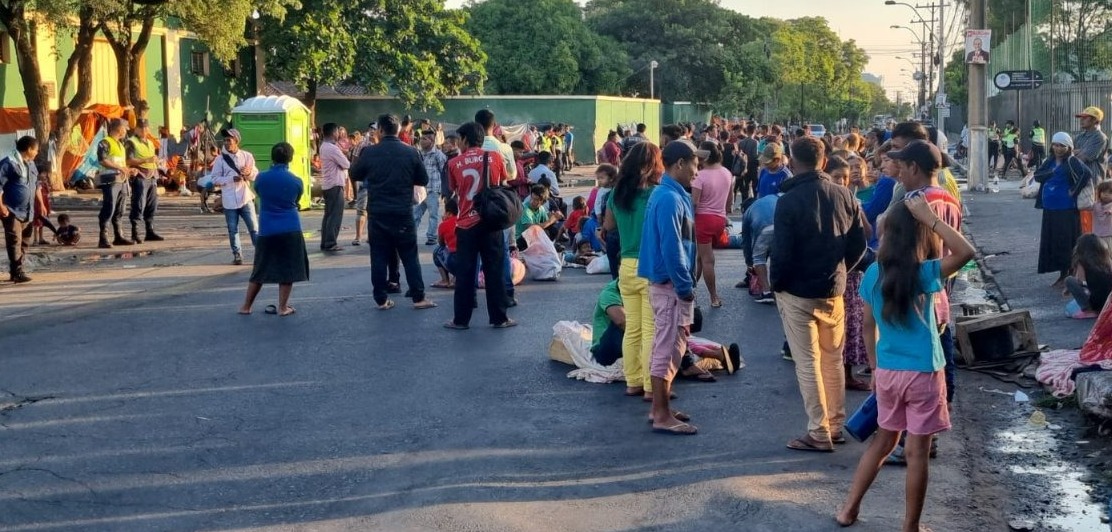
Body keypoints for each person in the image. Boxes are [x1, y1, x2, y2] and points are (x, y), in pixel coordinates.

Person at [837, 195, 974, 531]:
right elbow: (967, 253)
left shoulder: (872, 274)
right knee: (916, 453)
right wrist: (930, 218)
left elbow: (868, 328)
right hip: (924, 374)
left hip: (887, 373)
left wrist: (874, 366)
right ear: (921, 236)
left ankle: (848, 510)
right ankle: (910, 526)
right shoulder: (926, 273)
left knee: (882, 443)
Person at [771, 136, 867, 452]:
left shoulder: (787, 201)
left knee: (808, 363)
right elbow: (859, 245)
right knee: (833, 360)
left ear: (792, 162)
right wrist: (842, 271)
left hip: (797, 292)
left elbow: (782, 252)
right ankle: (835, 426)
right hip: (834, 290)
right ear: (824, 162)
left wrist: (777, 285)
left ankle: (818, 431)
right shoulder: (845, 196)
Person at [639, 139, 706, 435]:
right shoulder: (669, 198)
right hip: (670, 285)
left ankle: (660, 408)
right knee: (668, 348)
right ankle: (662, 413)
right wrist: (684, 287)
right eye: (694, 163)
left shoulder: (666, 193)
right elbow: (672, 247)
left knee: (668, 346)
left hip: (666, 283)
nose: (697, 170)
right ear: (679, 163)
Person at [349, 114, 437, 311]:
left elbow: (354, 174)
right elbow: (422, 179)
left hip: (378, 213)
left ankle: (381, 299)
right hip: (403, 212)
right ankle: (418, 297)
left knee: (378, 255)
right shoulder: (411, 152)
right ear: (399, 130)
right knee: (409, 256)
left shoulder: (369, 152)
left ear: (380, 130)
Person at [604, 142, 664, 400]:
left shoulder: (616, 193)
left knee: (633, 329)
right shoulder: (657, 194)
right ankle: (652, 387)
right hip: (650, 264)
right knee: (652, 329)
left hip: (626, 266)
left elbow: (608, 226)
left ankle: (633, 381)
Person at [444, 122, 514, 329]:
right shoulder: (494, 157)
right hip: (491, 222)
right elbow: (503, 180)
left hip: (466, 224)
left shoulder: (453, 163)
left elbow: (453, 190)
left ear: (465, 140)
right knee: (494, 271)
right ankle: (500, 318)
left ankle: (460, 320)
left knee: (465, 274)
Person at [237, 142, 310, 317]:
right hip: (290, 228)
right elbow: (296, 199)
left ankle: (246, 306)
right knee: (288, 269)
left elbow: (260, 193)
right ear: (290, 159)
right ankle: (283, 307)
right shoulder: (296, 181)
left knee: (260, 269)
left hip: (267, 229)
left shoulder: (261, 178)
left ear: (272, 157)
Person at [1033, 132, 1092, 287]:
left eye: (1062, 146)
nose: (1058, 148)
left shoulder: (1072, 161)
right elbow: (1037, 176)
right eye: (1056, 145)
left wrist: (1074, 190)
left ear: (1069, 147)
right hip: (1050, 208)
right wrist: (1050, 173)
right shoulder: (1050, 161)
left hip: (1066, 208)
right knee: (1053, 242)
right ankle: (1063, 275)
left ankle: (1069, 275)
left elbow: (1087, 173)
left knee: (1066, 242)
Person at [210, 129, 259, 265]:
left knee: (254, 228)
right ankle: (237, 254)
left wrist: (248, 173)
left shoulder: (247, 156)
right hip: (229, 200)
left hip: (245, 197)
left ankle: (260, 254)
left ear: (236, 141)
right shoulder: (220, 160)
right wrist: (232, 178)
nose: (226, 143)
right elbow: (214, 179)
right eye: (225, 140)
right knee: (233, 229)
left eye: (229, 140)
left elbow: (255, 175)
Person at [691, 141, 731, 308]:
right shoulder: (726, 173)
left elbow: (694, 203)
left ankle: (713, 297)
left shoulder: (700, 176)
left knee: (706, 260)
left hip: (703, 220)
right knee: (701, 258)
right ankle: (692, 290)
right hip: (719, 218)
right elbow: (729, 202)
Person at [0, 136, 42, 283]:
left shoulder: (31, 164)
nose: (37, 152)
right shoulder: (9, 163)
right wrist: (1, 206)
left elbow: (36, 185)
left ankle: (17, 269)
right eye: (36, 150)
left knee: (25, 242)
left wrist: (41, 204)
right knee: (14, 241)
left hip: (28, 211)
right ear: (29, 149)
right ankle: (17, 272)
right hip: (12, 210)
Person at [96, 119, 139, 249]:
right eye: (125, 128)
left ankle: (118, 236)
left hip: (122, 181)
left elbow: (121, 164)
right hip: (110, 180)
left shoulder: (120, 144)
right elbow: (103, 160)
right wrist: (119, 168)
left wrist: (129, 170)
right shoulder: (105, 142)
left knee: (120, 209)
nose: (126, 131)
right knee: (109, 208)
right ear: (119, 129)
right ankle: (103, 238)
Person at [126, 119, 164, 244]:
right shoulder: (131, 142)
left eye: (146, 128)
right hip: (140, 176)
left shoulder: (150, 142)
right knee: (138, 204)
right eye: (141, 128)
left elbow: (153, 158)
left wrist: (156, 161)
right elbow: (129, 160)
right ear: (136, 129)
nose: (143, 130)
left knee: (152, 205)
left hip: (152, 176)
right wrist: (146, 160)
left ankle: (149, 231)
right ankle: (135, 233)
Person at [318, 122, 352, 253]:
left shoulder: (324, 146)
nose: (339, 134)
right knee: (335, 215)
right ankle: (331, 242)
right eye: (338, 131)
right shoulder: (332, 148)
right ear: (333, 133)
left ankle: (325, 241)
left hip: (328, 184)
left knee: (328, 215)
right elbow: (346, 164)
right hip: (335, 185)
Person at [1064, 234, 1112, 318]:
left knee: (1069, 280)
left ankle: (1088, 310)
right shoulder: (1107, 261)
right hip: (1109, 303)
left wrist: (1072, 289)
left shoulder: (1082, 262)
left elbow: (1082, 283)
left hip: (1096, 303)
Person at [415, 129, 447, 245]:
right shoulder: (419, 154)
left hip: (433, 189)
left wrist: (444, 190)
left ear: (432, 141)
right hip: (421, 189)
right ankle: (411, 235)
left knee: (433, 215)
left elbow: (444, 172)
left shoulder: (439, 155)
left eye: (424, 139)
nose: (421, 142)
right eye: (421, 139)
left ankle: (432, 237)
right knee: (415, 214)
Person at [515, 184, 562, 249]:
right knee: (539, 232)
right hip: (520, 239)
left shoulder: (541, 209)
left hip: (532, 239)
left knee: (554, 229)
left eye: (536, 200)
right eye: (532, 198)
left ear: (543, 202)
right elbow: (531, 228)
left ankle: (550, 247)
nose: (532, 201)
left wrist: (554, 216)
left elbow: (546, 224)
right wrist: (551, 220)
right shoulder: (525, 208)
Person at [1074, 106, 1109, 182]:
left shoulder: (1100, 137)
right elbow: (1069, 155)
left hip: (1093, 181)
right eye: (1081, 117)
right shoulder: (1079, 137)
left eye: (1085, 117)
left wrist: (1077, 152)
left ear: (1095, 120)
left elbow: (1081, 158)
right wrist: (1079, 151)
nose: (1081, 120)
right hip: (1078, 179)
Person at [432, 197, 459, 289]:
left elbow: (441, 243)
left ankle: (445, 280)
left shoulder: (443, 225)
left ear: (448, 213)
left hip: (453, 260)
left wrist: (444, 223)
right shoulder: (462, 221)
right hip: (467, 260)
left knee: (437, 251)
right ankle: (456, 278)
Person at [1093, 180, 1112, 251]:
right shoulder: (1095, 205)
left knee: (1108, 254)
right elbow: (1085, 206)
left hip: (1109, 236)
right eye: (1103, 192)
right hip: (1097, 235)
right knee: (1098, 254)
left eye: (1110, 192)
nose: (1106, 194)